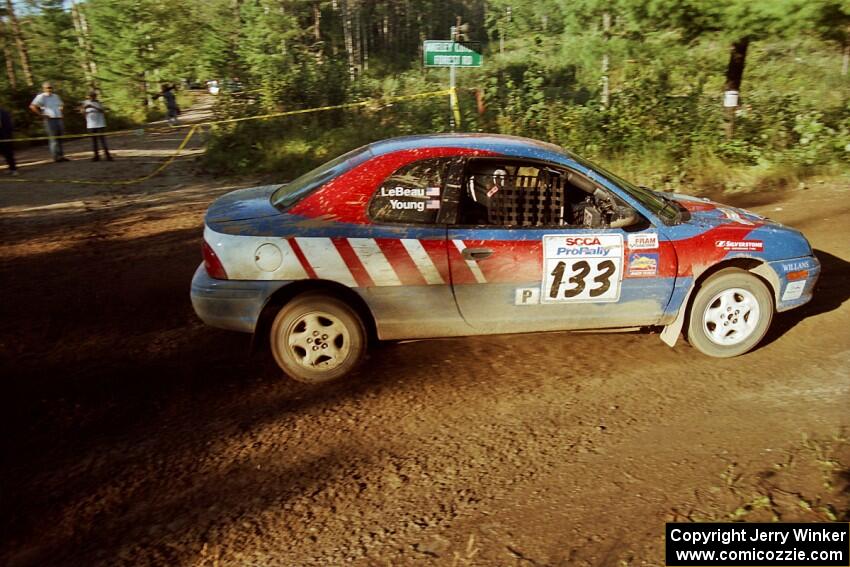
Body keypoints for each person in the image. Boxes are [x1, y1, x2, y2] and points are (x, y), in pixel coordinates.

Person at [29, 81, 69, 162]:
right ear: (44, 88)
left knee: (60, 138)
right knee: (53, 139)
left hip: (58, 118)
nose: (49, 89)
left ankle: (61, 156)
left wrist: (61, 110)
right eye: (48, 88)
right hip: (50, 120)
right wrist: (41, 115)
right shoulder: (41, 97)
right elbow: (32, 106)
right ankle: (56, 157)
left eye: (51, 87)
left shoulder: (56, 96)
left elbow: (61, 104)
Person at [80, 91, 113, 161]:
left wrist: (93, 106)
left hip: (100, 124)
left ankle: (107, 156)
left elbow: (102, 111)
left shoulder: (98, 102)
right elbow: (82, 113)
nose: (92, 97)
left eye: (93, 95)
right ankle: (96, 156)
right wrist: (84, 109)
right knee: (94, 141)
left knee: (103, 141)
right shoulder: (85, 103)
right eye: (90, 96)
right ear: (88, 96)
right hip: (91, 125)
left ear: (95, 96)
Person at [0, 106, 18, 175]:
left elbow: (9, 126)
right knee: (6, 153)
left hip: (4, 136)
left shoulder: (3, 112)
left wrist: (8, 136)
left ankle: (13, 169)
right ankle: (12, 169)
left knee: (8, 153)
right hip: (5, 135)